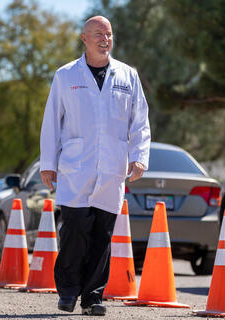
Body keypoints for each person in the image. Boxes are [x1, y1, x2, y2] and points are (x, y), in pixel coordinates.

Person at [40, 16, 150, 316]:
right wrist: (48, 163)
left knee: (102, 235)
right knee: (74, 230)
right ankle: (67, 290)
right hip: (76, 166)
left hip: (112, 166)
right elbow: (52, 121)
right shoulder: (65, 76)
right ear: (84, 38)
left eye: (109, 34)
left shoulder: (128, 76)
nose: (105, 38)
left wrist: (140, 156)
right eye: (98, 33)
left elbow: (140, 121)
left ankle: (92, 297)